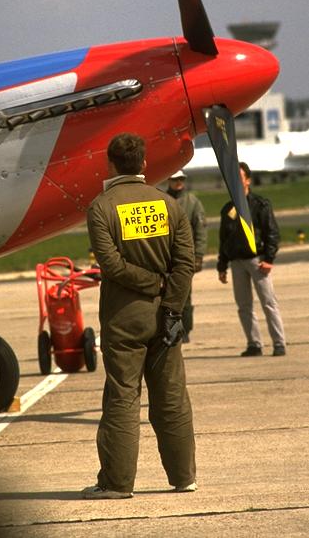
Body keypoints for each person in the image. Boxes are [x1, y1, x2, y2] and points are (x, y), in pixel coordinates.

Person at [83, 132, 196, 499]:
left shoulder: (101, 208)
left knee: (122, 398)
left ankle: (116, 483)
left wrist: (150, 284)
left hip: (123, 318)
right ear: (144, 164)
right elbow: (185, 264)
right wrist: (171, 306)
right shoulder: (168, 205)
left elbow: (111, 265)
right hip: (167, 316)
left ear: (110, 164)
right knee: (172, 397)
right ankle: (184, 478)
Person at [217, 161, 286, 357]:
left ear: (248, 180)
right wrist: (222, 265)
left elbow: (272, 233)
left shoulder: (260, 205)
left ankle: (279, 343)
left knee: (268, 302)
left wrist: (269, 259)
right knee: (244, 306)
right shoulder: (227, 210)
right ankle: (254, 344)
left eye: (239, 178)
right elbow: (224, 239)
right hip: (236, 262)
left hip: (257, 261)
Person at [166, 170, 207, 342]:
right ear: (169, 180)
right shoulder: (161, 200)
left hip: (184, 257)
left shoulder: (193, 202)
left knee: (184, 295)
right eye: (175, 179)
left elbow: (201, 230)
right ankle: (167, 328)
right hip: (165, 257)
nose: (178, 182)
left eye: (181, 179)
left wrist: (198, 256)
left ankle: (185, 330)